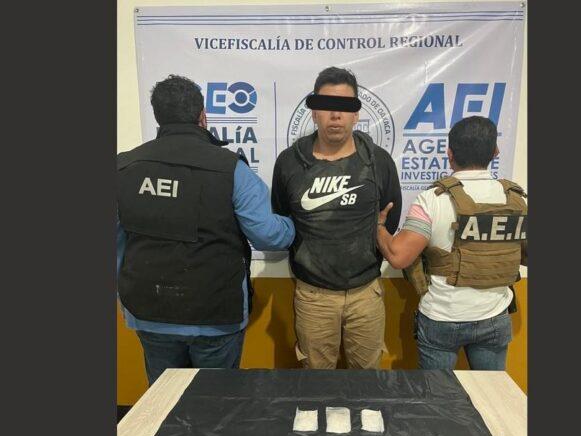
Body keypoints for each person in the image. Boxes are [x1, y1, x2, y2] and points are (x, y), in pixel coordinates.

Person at [117, 75, 295, 385]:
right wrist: (295, 223)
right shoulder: (231, 169)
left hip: (147, 310)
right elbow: (269, 236)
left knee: (164, 402)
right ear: (202, 116)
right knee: (215, 401)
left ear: (158, 117)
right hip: (215, 314)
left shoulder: (124, 167)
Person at [271, 66, 402, 369]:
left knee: (367, 382)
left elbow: (389, 219)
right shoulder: (289, 163)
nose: (335, 115)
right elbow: (281, 219)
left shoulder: (379, 161)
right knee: (317, 383)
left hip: (366, 294)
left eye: (344, 107)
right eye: (327, 105)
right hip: (313, 296)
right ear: (314, 112)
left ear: (355, 114)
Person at [376, 116, 527, 370]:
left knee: (438, 393)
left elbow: (399, 256)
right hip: (495, 317)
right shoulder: (516, 200)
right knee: (489, 393)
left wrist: (379, 227)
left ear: (449, 153)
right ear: (495, 152)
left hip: (442, 317)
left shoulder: (432, 200)